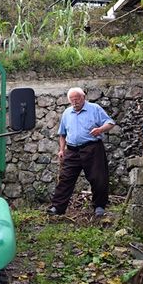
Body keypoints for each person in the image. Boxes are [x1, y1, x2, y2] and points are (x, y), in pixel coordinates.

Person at [46, 87, 115, 217]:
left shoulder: (95, 109)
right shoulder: (67, 113)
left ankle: (99, 207)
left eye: (77, 100)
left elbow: (110, 123)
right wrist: (61, 150)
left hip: (92, 148)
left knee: (98, 178)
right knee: (65, 178)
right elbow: (62, 134)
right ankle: (57, 207)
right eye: (72, 101)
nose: (75, 103)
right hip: (72, 150)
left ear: (83, 98)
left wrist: (100, 129)